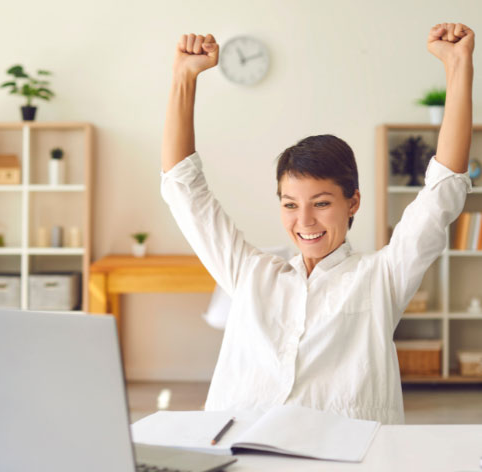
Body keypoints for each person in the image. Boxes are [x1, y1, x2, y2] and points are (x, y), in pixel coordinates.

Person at [161, 24, 474, 424]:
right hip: (239, 458)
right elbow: (182, 189)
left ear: (352, 202)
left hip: (347, 467)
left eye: (321, 203)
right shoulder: (250, 273)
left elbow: (443, 190)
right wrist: (183, 77)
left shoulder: (382, 276)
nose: (304, 221)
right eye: (290, 204)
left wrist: (459, 65)